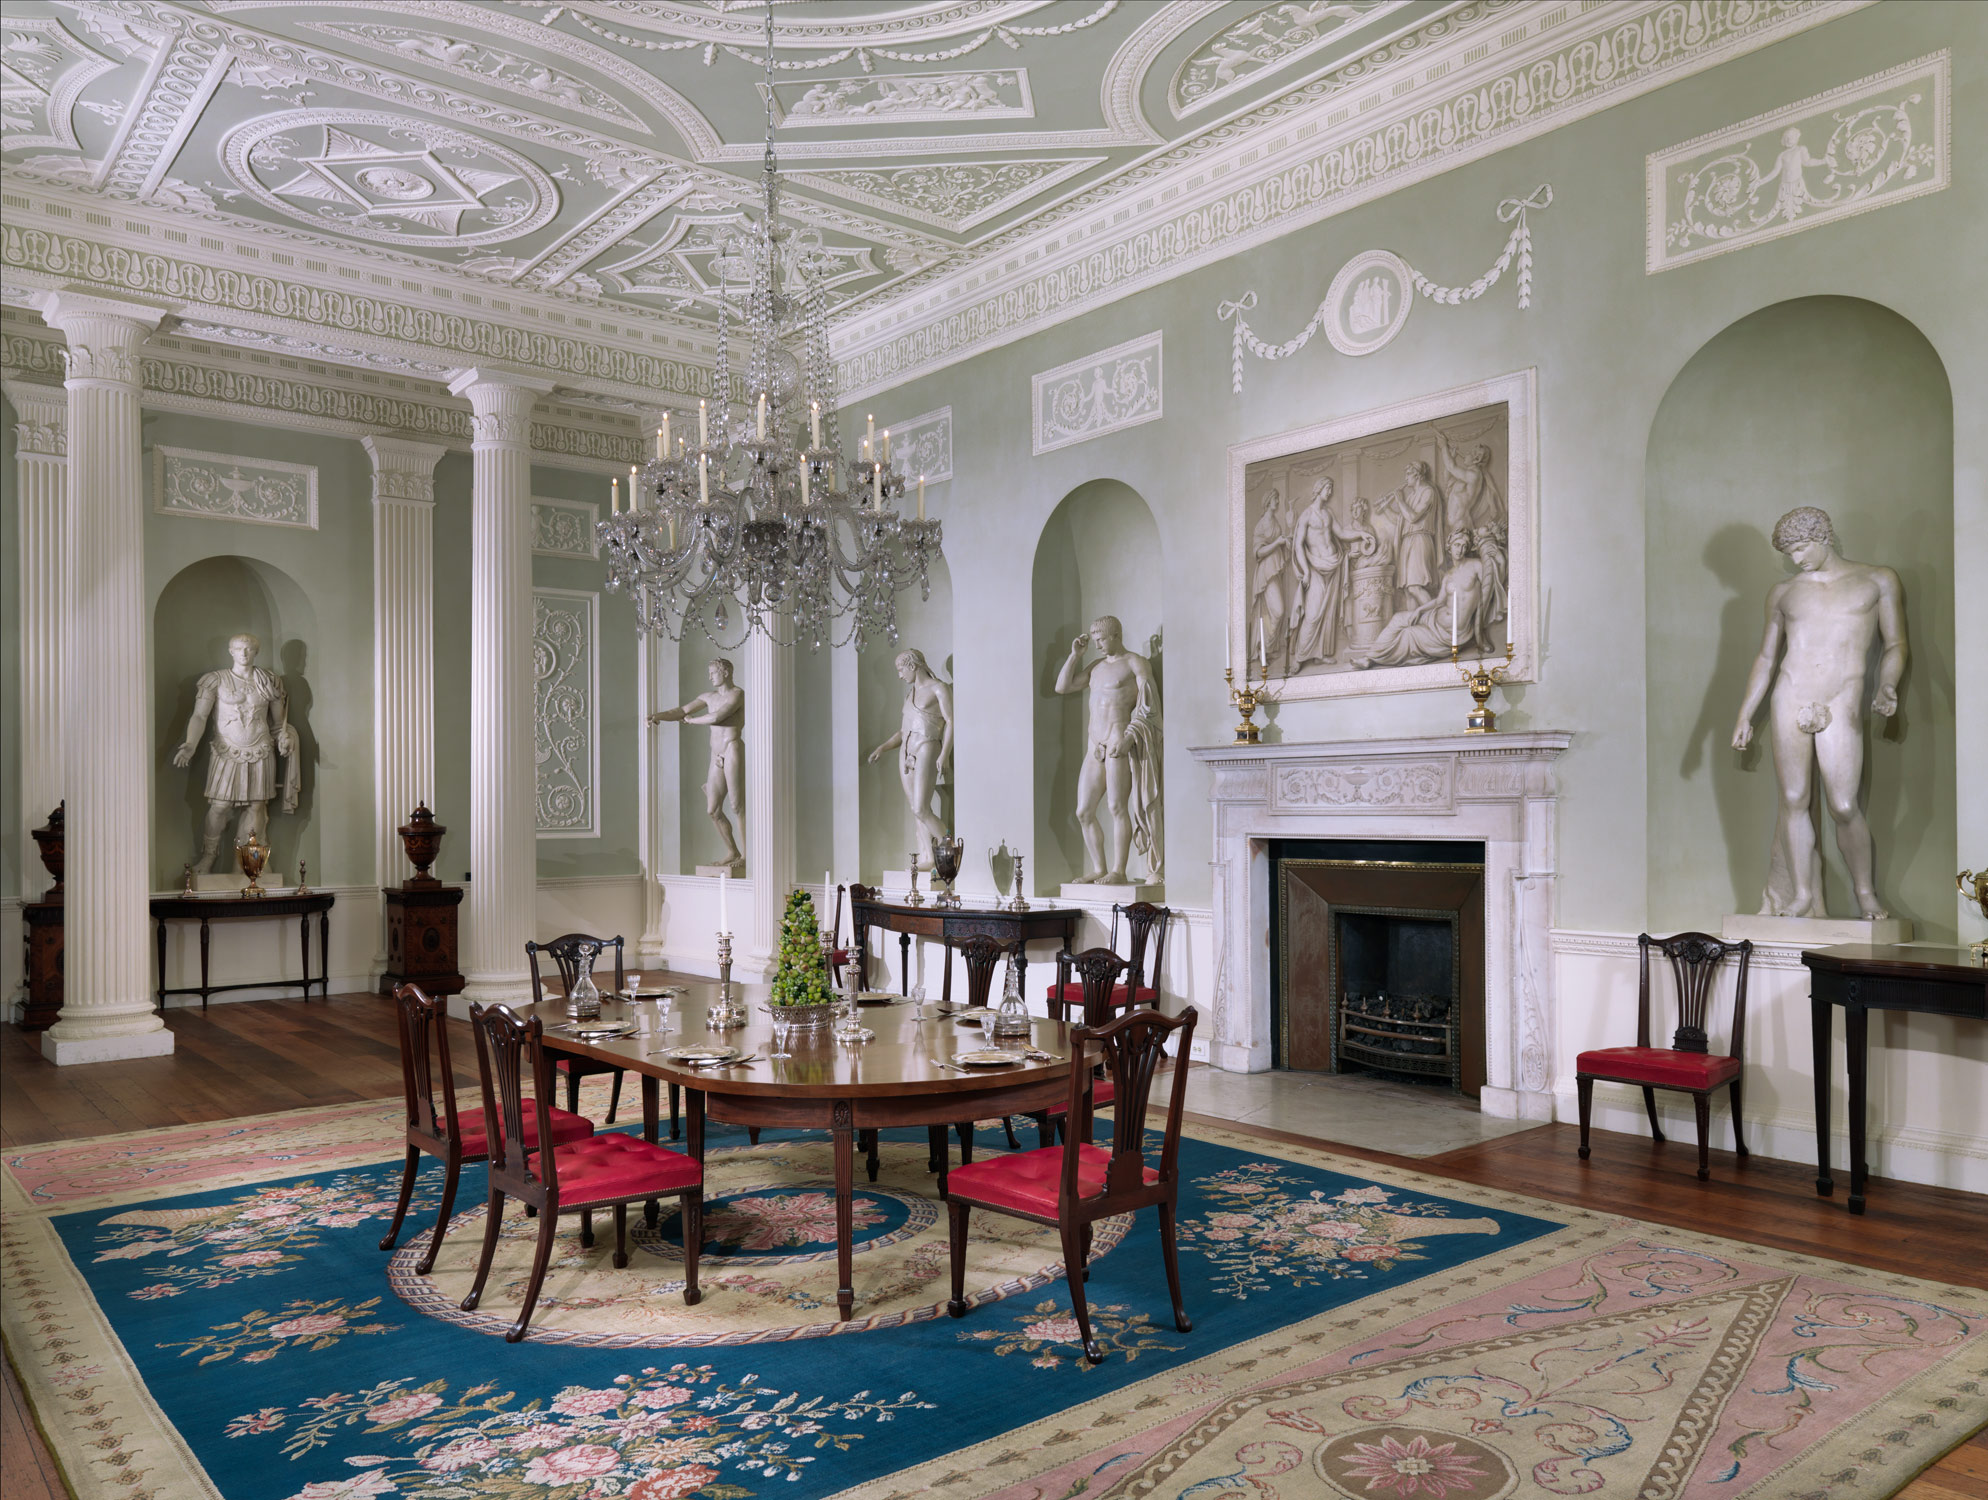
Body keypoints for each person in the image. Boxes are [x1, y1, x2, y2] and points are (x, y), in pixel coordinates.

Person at [1731, 506, 1906, 920]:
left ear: (1823, 535)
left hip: (1841, 698)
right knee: (1793, 798)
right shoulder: (1783, 593)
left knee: (1844, 805)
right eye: (1789, 552)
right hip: (1790, 695)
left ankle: (1866, 896)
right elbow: (1766, 657)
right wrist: (1745, 715)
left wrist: (1888, 685)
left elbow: (1897, 644)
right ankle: (1803, 895)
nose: (1796, 559)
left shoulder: (1877, 579)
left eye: (1801, 548)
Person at [173, 632, 298, 872]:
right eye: (239, 649)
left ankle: (248, 865)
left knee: (256, 807)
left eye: (249, 649)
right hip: (226, 750)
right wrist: (190, 744)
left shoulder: (268, 681)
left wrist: (284, 736)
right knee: (219, 806)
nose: (244, 653)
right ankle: (208, 858)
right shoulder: (215, 680)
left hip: (261, 750)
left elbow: (277, 723)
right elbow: (199, 716)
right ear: (230, 651)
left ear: (256, 652)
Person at [1054, 616, 1163, 886]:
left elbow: (1150, 707)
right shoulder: (1096, 667)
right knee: (1083, 811)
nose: (1099, 645)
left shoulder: (1135, 663)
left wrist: (1129, 737)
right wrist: (1074, 655)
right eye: (1096, 640)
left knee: (1116, 807)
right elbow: (1062, 687)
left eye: (1102, 639)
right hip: (1095, 745)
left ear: (1115, 635)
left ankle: (1118, 870)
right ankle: (1099, 868)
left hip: (1118, 742)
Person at [651, 658, 746, 871]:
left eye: (713, 672)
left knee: (737, 805)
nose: (709, 676)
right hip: (716, 755)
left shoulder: (737, 694)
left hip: (732, 749)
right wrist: (658, 716)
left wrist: (692, 721)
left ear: (726, 672)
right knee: (713, 809)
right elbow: (682, 710)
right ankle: (732, 851)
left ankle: (747, 855)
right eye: (709, 672)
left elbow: (718, 717)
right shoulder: (708, 696)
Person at [1349, 532, 1490, 668]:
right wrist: (1419, 610)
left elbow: (1487, 594)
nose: (1460, 549)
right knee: (1399, 618)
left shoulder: (1476, 565)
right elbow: (1439, 602)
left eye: (1464, 546)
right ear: (1450, 546)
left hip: (1448, 634)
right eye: (1457, 545)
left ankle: (1374, 659)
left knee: (1408, 635)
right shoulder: (1448, 575)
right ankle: (1368, 658)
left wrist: (1480, 637)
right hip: (1435, 618)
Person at [867, 648, 954, 864]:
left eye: (900, 669)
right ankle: (928, 857)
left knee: (920, 808)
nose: (900, 675)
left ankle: (951, 849)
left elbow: (951, 721)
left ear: (912, 666)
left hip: (927, 746)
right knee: (916, 810)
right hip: (906, 753)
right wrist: (883, 747)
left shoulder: (939, 689)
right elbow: (903, 731)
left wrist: (944, 754)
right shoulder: (910, 695)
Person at [1288, 478, 1377, 669]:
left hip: (1333, 564)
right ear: (1319, 489)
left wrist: (1361, 534)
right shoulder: (1306, 515)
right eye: (1328, 488)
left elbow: (1342, 533)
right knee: (1312, 614)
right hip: (1316, 568)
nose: (1330, 492)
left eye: (1331, 488)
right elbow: (1298, 546)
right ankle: (1300, 656)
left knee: (1328, 613)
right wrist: (1305, 571)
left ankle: (1321, 653)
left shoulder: (1328, 513)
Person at [1249, 486, 1292, 672]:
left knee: (1275, 612)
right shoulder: (1261, 524)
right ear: (1268, 501)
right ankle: (1264, 647)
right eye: (1275, 498)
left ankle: (1269, 648)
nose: (1277, 501)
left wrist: (1290, 525)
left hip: (1275, 570)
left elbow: (1281, 543)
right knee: (1278, 610)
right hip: (1266, 572)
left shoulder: (1275, 521)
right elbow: (1258, 552)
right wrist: (1277, 543)